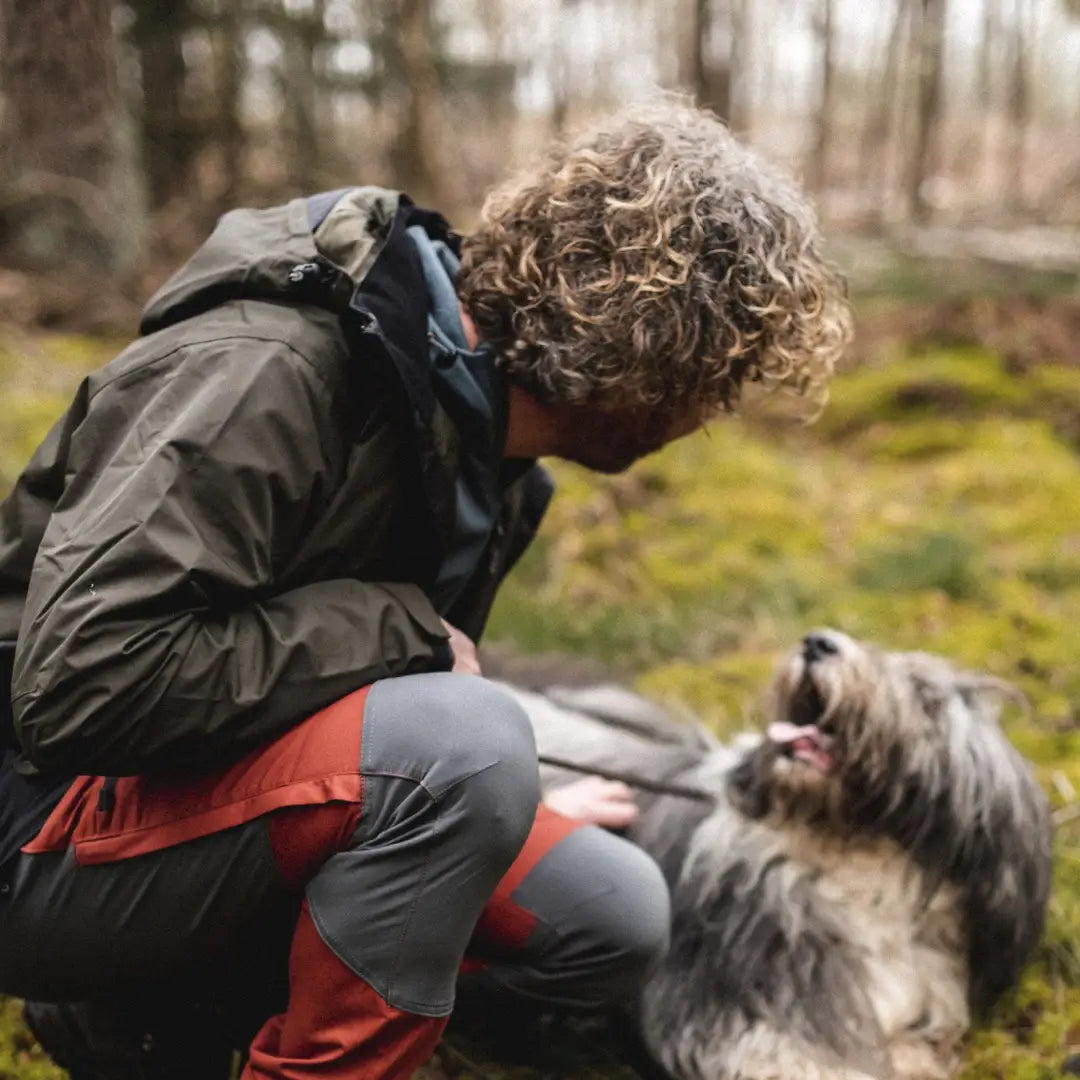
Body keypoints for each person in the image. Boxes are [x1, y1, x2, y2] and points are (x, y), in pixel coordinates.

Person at [0, 100, 851, 1079]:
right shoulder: (267, 371)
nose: (709, 415)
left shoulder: (491, 462)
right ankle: (135, 997)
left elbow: (368, 713)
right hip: (37, 827)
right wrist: (406, 662)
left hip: (202, 792)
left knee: (612, 913)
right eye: (717, 381)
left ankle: (140, 1012)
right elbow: (77, 685)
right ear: (645, 358)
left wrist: (486, 793)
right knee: (464, 754)